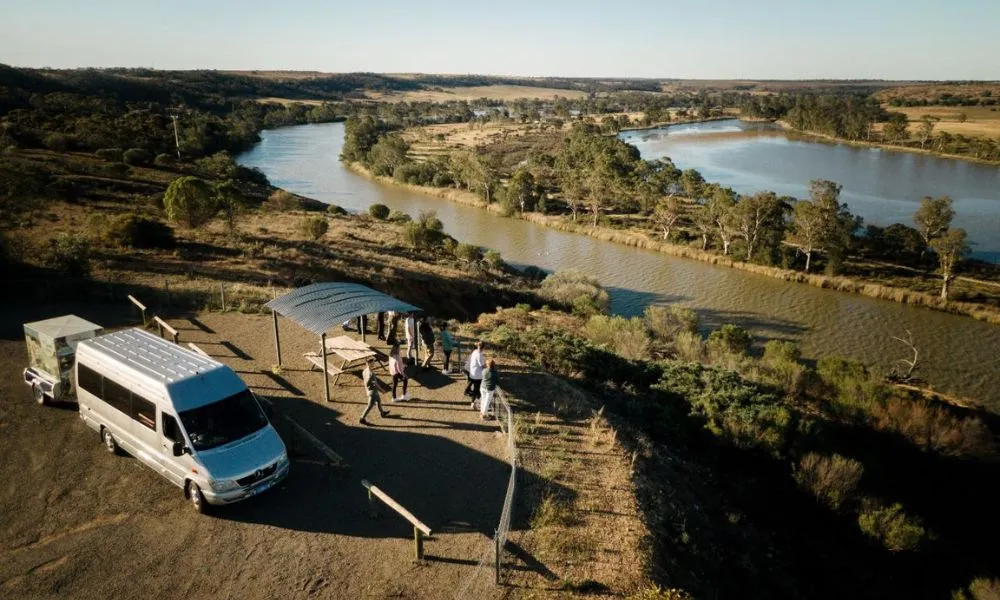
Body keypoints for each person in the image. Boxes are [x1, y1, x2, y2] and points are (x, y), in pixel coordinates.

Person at [359, 360, 390, 426]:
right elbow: (375, 384)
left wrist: (367, 389)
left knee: (378, 401)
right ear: (369, 363)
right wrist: (382, 390)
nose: (374, 364)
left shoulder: (364, 371)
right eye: (372, 363)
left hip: (369, 390)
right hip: (373, 392)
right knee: (369, 406)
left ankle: (382, 413)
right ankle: (362, 418)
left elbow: (365, 381)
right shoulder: (371, 374)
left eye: (374, 362)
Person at [465, 340, 485, 408]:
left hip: (472, 372)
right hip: (478, 375)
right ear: (483, 348)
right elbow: (481, 365)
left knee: (475, 388)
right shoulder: (480, 354)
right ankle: (473, 403)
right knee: (477, 389)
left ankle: (475, 401)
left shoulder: (474, 352)